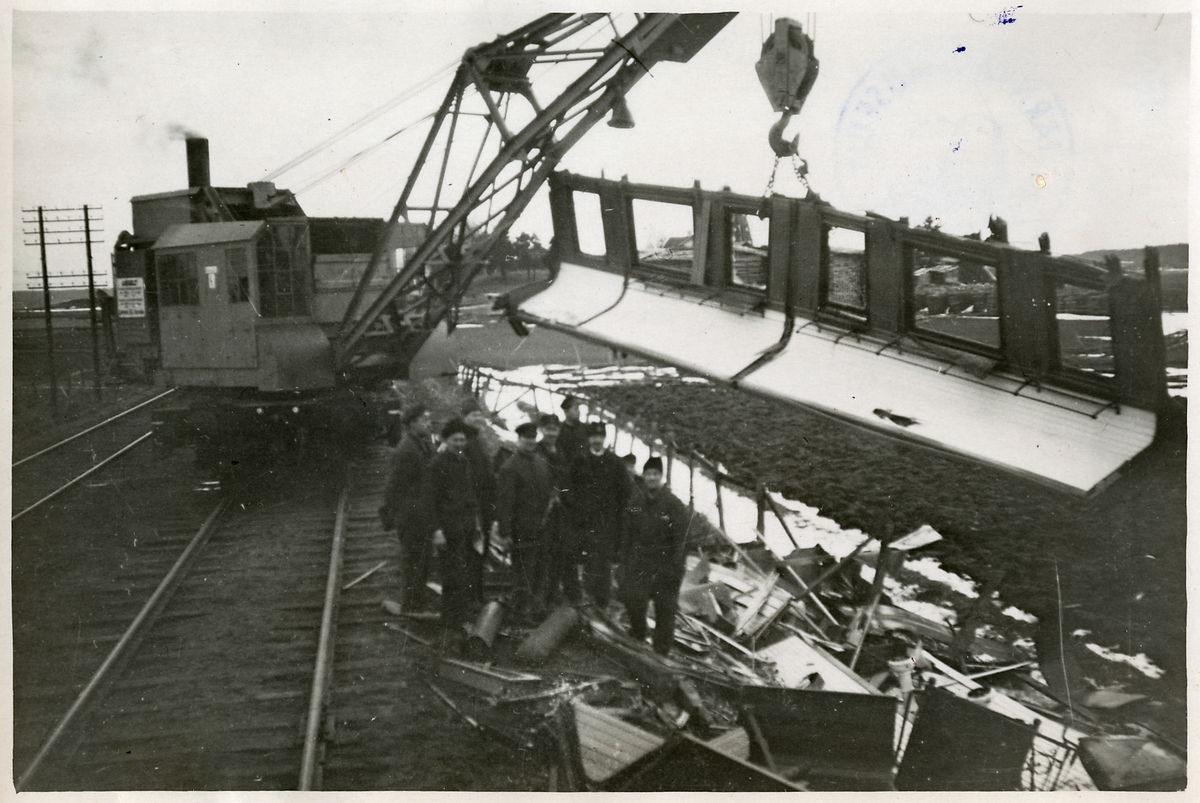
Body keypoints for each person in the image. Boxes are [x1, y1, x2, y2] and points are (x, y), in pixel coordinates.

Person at [621, 457, 694, 656]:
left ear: (661, 477)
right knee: (633, 600)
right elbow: (627, 533)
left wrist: (675, 568)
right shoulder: (637, 502)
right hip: (641, 561)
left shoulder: (674, 504)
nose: (651, 478)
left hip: (666, 564)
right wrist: (624, 561)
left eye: (655, 474)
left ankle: (660, 653)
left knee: (665, 610)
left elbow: (682, 540)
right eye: (648, 474)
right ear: (643, 476)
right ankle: (639, 635)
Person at [423, 419, 483, 645]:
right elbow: (429, 501)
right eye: (455, 440)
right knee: (452, 576)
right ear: (446, 441)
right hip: (448, 529)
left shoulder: (464, 461)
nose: (459, 443)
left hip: (465, 528)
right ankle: (451, 623)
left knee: (463, 574)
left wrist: (476, 523)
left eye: (462, 440)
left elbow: (470, 495)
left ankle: (458, 618)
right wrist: (436, 530)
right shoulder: (436, 464)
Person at [495, 422, 556, 620]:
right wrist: (505, 532)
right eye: (526, 438)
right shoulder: (510, 467)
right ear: (519, 439)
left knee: (541, 571)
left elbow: (548, 492)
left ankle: (536, 610)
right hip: (521, 529)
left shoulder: (541, 463)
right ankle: (521, 612)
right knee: (523, 573)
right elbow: (504, 502)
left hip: (541, 528)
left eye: (533, 438)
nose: (530, 442)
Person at [566, 421, 631, 607]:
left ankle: (601, 602)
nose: (596, 440)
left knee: (602, 562)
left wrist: (618, 518)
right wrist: (576, 509)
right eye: (593, 437)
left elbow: (625, 494)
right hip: (582, 521)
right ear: (588, 439)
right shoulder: (579, 461)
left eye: (600, 437)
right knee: (581, 559)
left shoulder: (615, 463)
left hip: (606, 523)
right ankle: (581, 599)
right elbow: (568, 488)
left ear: (604, 438)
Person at [380, 404, 435, 612]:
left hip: (421, 514)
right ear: (412, 423)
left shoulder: (420, 444)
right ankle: (412, 605)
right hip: (411, 516)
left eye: (428, 419)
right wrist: (394, 514)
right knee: (413, 561)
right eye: (424, 420)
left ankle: (417, 602)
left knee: (421, 559)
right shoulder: (406, 449)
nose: (428, 423)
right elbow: (393, 486)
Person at [557, 395, 588, 465]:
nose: (578, 412)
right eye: (575, 409)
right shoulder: (560, 430)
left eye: (578, 409)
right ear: (566, 411)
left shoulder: (585, 428)